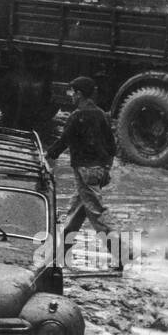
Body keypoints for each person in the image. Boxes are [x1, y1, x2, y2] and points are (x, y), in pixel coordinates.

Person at [45, 76, 118, 256]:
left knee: (96, 213)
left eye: (72, 92)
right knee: (75, 212)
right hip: (99, 171)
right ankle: (59, 255)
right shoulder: (102, 115)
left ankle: (122, 252)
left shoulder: (76, 116)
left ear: (79, 94)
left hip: (84, 172)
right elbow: (112, 146)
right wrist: (106, 169)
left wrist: (48, 156)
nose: (71, 96)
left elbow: (63, 141)